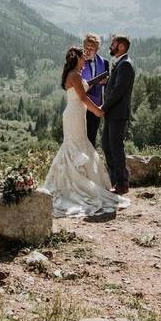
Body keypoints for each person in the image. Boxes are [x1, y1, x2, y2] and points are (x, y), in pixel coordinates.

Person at [45, 47, 128, 217]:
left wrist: (98, 82)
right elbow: (83, 97)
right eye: (83, 58)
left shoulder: (75, 75)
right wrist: (97, 111)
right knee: (75, 145)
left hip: (77, 113)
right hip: (75, 113)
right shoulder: (74, 75)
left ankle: (79, 181)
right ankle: (76, 184)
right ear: (77, 59)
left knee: (80, 144)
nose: (85, 61)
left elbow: (83, 90)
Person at [101, 34, 135, 194]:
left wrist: (103, 107)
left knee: (116, 147)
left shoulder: (125, 65)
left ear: (121, 46)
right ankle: (115, 180)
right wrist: (107, 82)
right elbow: (115, 86)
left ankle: (122, 183)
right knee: (107, 145)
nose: (110, 46)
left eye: (113, 43)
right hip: (112, 113)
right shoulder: (121, 64)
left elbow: (118, 91)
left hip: (117, 113)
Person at [81, 33, 109, 147]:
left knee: (91, 138)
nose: (87, 51)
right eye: (86, 48)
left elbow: (108, 86)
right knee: (80, 137)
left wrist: (106, 81)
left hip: (96, 106)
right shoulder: (77, 60)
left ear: (96, 50)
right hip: (81, 104)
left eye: (91, 49)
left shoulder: (104, 62)